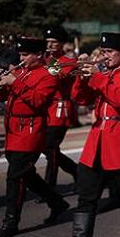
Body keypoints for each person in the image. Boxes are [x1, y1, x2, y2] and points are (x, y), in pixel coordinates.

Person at [49, 33, 120, 237]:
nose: (104, 57)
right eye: (102, 52)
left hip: (119, 140)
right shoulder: (103, 74)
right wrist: (82, 78)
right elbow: (81, 99)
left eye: (108, 52)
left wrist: (98, 77)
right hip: (97, 140)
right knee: (86, 196)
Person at [0, 38, 70, 237]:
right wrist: (1, 82)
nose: (22, 59)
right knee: (26, 174)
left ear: (38, 55)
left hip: (30, 131)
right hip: (12, 130)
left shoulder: (48, 74)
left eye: (26, 55)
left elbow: (38, 101)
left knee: (15, 177)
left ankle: (11, 221)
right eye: (20, 55)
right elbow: (1, 98)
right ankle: (57, 202)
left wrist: (15, 82)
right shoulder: (22, 72)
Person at [42, 27, 79, 190]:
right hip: (44, 108)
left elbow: (57, 76)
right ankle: (76, 171)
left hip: (59, 109)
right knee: (47, 147)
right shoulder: (42, 60)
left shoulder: (68, 61)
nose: (49, 45)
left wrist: (46, 59)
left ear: (62, 44)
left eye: (54, 42)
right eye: (47, 42)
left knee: (50, 146)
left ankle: (49, 184)